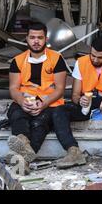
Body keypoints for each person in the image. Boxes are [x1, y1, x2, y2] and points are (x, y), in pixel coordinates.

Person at [53, 36, 102, 168]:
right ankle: (73, 151)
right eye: (93, 55)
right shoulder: (81, 62)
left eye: (100, 57)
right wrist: (80, 100)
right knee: (58, 110)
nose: (95, 60)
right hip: (89, 104)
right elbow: (75, 95)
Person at [7, 22, 68, 168]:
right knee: (16, 114)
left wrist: (44, 104)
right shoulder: (18, 60)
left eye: (40, 37)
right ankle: (23, 142)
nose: (36, 41)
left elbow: (60, 89)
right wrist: (22, 101)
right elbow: (13, 88)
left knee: (39, 125)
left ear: (46, 39)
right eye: (32, 37)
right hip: (26, 100)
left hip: (49, 103)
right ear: (26, 39)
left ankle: (23, 161)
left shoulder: (56, 58)